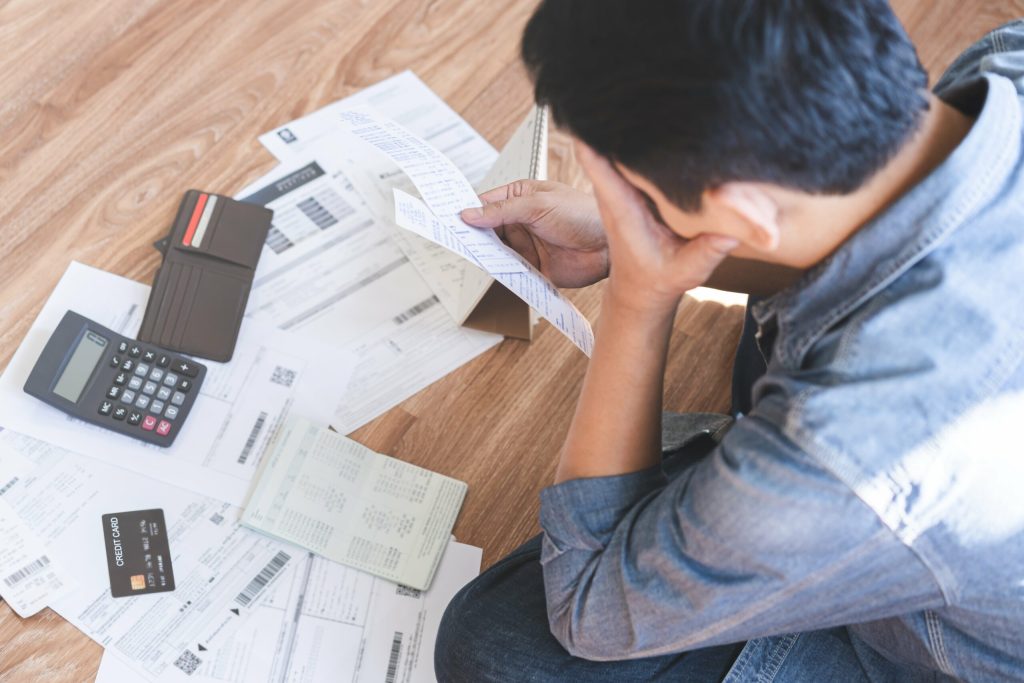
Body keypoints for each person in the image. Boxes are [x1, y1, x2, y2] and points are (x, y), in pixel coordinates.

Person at [435, 1, 1024, 681]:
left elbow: (589, 605)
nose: (635, 211)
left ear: (746, 213)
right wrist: (630, 227)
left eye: (642, 195)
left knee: (499, 649)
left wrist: (639, 290)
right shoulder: (1003, 59)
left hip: (928, 636)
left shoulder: (845, 448)